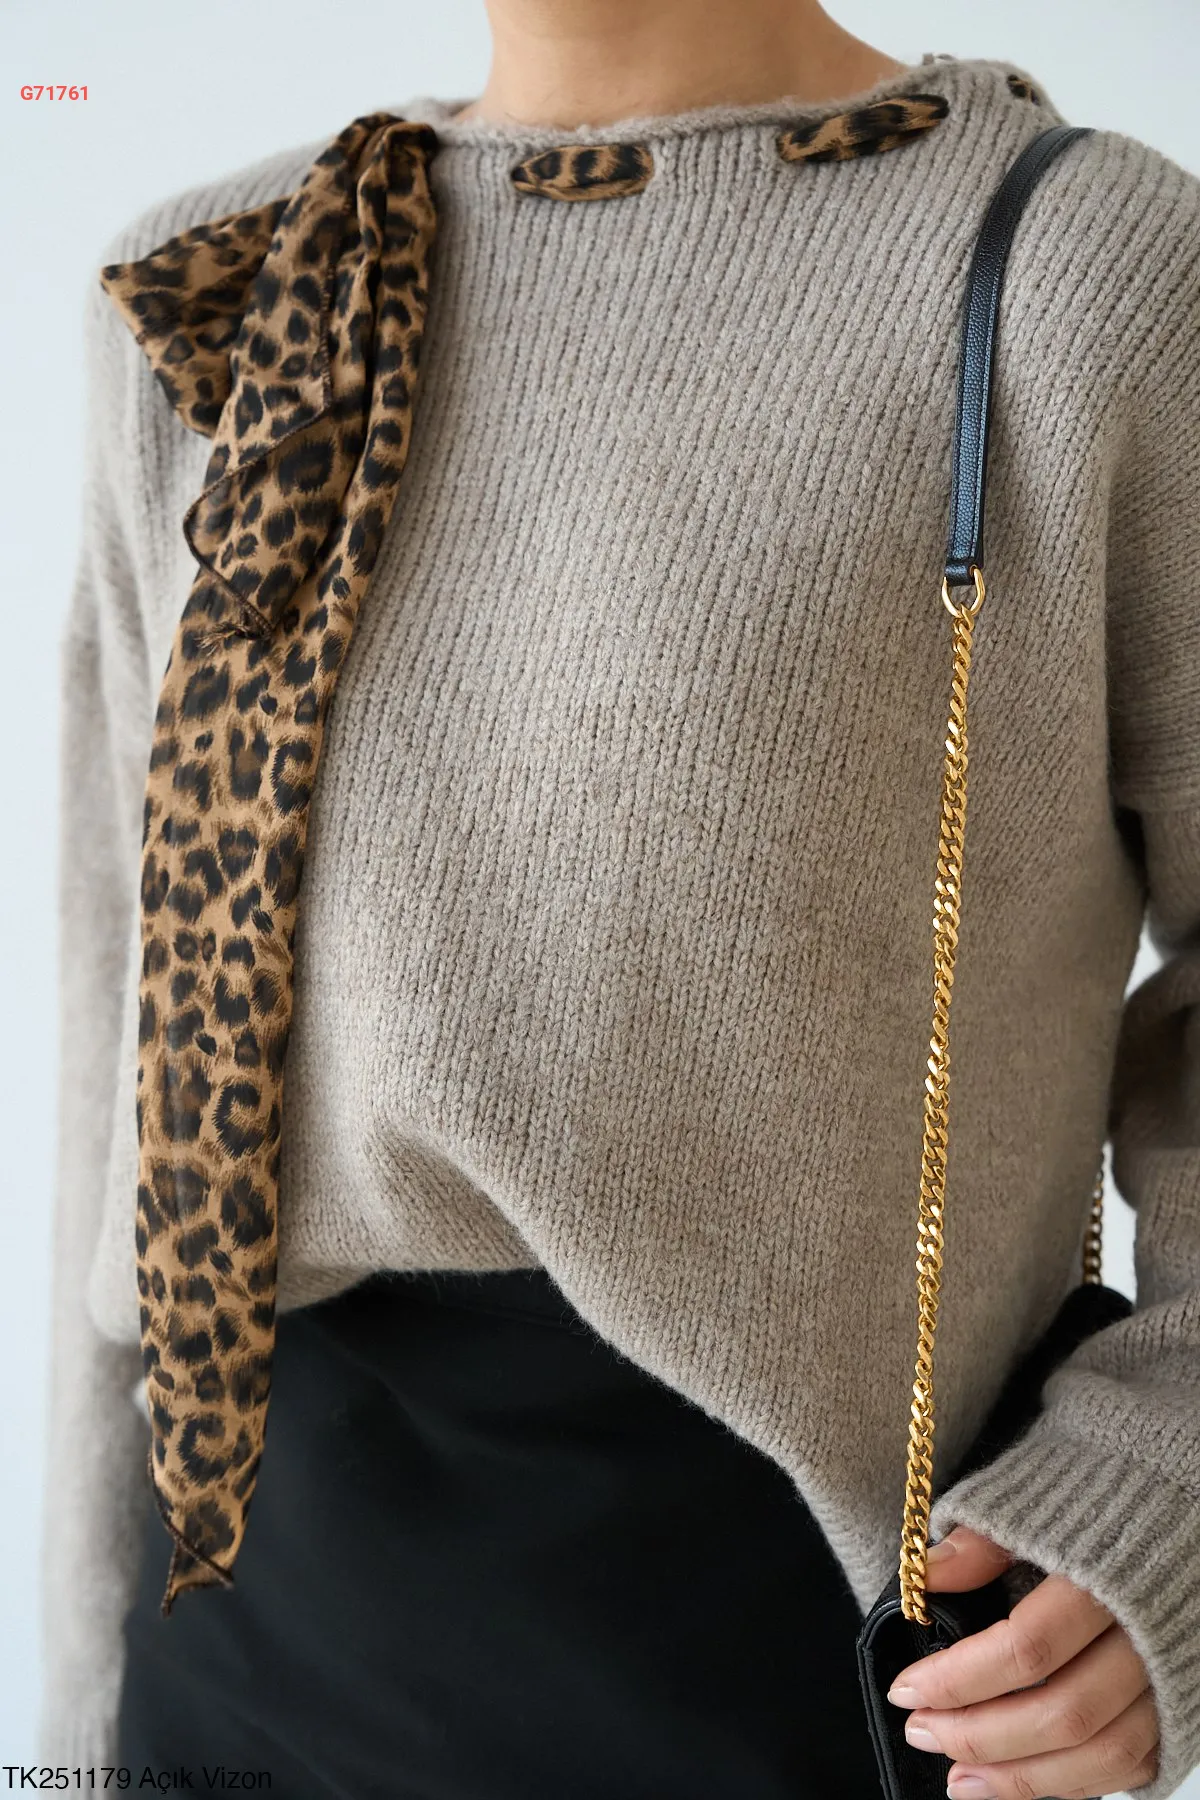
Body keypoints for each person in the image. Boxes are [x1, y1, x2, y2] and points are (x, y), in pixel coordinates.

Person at [39, 1, 1200, 1795]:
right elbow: (115, 1017)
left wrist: (1162, 1477)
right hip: (244, 1611)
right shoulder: (235, 272)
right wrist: (73, 1693)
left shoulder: (1073, 264)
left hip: (769, 1626)